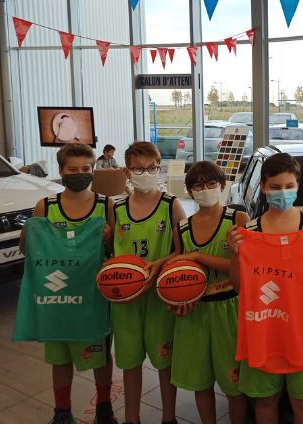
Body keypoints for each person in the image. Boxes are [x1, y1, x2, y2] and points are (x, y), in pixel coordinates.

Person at [227, 152, 303, 424]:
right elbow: (240, 286)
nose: (283, 192)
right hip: (263, 334)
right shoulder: (250, 232)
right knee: (265, 402)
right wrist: (235, 255)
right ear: (263, 187)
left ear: (298, 186)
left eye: (289, 186)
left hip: (302, 334)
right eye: (275, 186)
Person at [29, 143, 118, 424]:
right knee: (60, 358)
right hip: (58, 295)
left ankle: (104, 408)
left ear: (93, 169)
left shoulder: (106, 204)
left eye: (85, 168)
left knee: (100, 356)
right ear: (61, 171)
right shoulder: (45, 206)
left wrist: (109, 239)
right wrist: (29, 236)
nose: (80, 173)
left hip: (93, 295)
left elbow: (116, 251)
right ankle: (62, 412)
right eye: (73, 169)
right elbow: (30, 251)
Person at [167, 161, 249, 424]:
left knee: (234, 385)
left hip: (230, 309)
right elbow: (179, 271)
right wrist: (175, 300)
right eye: (198, 186)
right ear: (190, 191)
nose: (205, 190)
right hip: (196, 311)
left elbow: (245, 269)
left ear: (222, 186)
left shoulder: (238, 220)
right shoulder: (181, 228)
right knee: (200, 383)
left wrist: (199, 256)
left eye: (211, 183)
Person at [112, 141, 185, 424]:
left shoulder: (171, 205)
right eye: (138, 169)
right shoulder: (116, 208)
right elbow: (109, 252)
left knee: (165, 363)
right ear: (127, 172)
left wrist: (161, 264)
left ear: (158, 168)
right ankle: (131, 418)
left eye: (151, 168)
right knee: (130, 364)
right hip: (126, 301)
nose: (145, 173)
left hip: (160, 298)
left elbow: (183, 251)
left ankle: (169, 417)